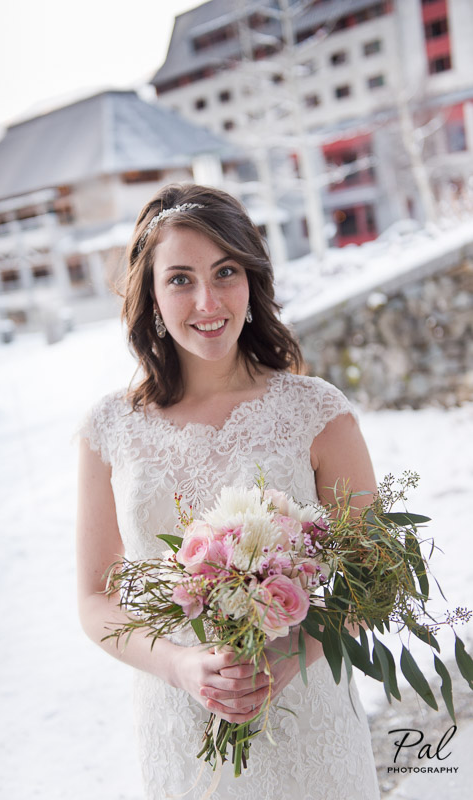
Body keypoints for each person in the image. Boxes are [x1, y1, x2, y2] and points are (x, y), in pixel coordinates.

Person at [76, 184, 380, 799]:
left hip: (307, 720)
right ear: (153, 296)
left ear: (252, 279)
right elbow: (94, 597)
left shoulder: (315, 412)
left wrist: (288, 661)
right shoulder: (108, 429)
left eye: (225, 272)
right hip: (179, 726)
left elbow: (371, 575)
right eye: (181, 279)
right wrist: (181, 666)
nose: (208, 300)